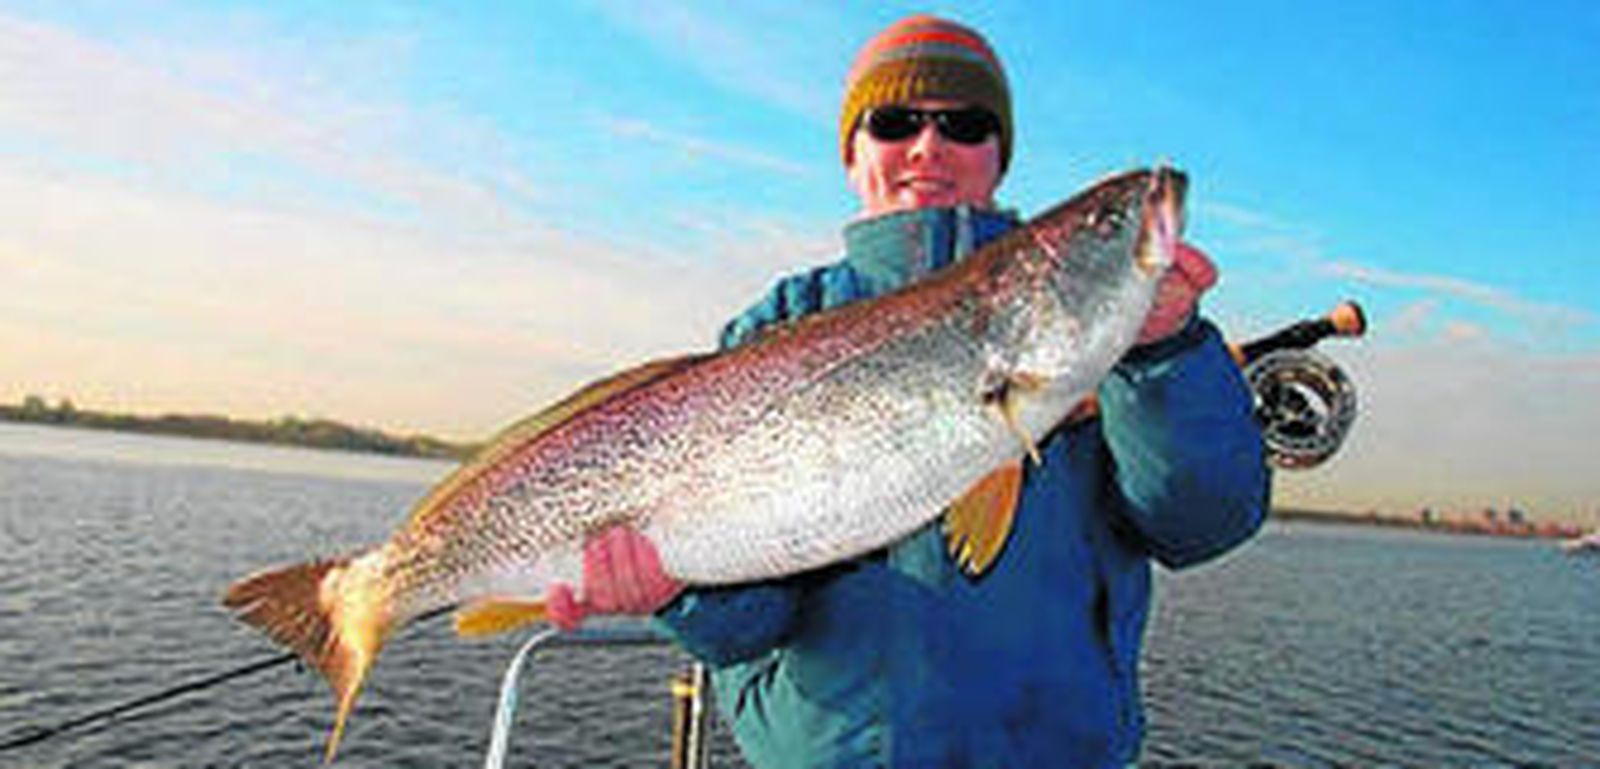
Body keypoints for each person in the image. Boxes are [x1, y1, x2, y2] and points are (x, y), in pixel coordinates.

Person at [545, 14, 1269, 768]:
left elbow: (1205, 522)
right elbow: (748, 627)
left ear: (999, 154)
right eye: (895, 123)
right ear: (853, 154)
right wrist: (677, 590)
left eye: (965, 124)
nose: (929, 147)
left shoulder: (1125, 339)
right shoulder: (780, 325)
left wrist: (1166, 353)